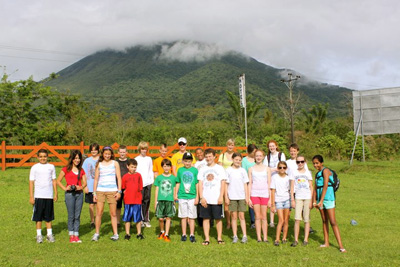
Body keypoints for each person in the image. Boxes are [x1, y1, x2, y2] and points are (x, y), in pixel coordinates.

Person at [312, 155, 346, 252]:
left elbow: (326, 186)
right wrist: (315, 201)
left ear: (321, 163)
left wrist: (322, 200)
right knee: (324, 221)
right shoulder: (317, 174)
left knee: (333, 222)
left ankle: (341, 246)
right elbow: (315, 188)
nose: (315, 165)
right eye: (314, 163)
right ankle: (326, 243)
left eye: (317, 163)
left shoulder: (325, 171)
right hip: (320, 200)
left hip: (328, 199)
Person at [91, 146, 122, 241]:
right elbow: (96, 179)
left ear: (111, 154)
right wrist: (94, 193)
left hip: (112, 191)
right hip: (100, 191)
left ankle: (115, 234)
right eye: (105, 154)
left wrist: (119, 191)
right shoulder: (99, 164)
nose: (107, 156)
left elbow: (119, 178)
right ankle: (96, 233)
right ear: (103, 154)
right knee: (99, 212)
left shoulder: (115, 163)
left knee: (113, 213)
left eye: (109, 154)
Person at [56, 150, 87, 243]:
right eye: (75, 158)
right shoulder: (66, 169)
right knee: (71, 215)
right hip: (69, 194)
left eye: (78, 158)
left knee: (77, 215)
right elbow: (58, 181)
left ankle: (76, 234)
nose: (77, 160)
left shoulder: (81, 170)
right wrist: (65, 188)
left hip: (79, 194)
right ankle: (71, 235)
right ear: (72, 158)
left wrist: (80, 187)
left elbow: (85, 182)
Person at [198, 148, 227, 245]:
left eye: (210, 156)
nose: (208, 158)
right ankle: (207, 238)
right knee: (206, 218)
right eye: (206, 157)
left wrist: (221, 196)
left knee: (218, 218)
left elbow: (223, 183)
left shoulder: (220, 168)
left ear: (214, 156)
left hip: (216, 198)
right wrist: (201, 197)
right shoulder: (202, 169)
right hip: (205, 198)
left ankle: (219, 238)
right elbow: (200, 183)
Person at [29, 149, 58, 243]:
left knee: (48, 216)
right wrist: (31, 196)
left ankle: (49, 234)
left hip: (48, 195)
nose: (43, 158)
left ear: (47, 156)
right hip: (38, 196)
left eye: (44, 156)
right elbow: (31, 182)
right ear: (38, 157)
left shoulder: (51, 167)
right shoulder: (34, 167)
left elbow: (54, 181)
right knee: (38, 216)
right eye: (41, 156)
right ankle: (39, 235)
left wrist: (56, 193)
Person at [225, 152, 249, 244]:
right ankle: (235, 235)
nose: (238, 161)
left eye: (239, 160)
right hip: (232, 196)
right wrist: (226, 197)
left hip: (241, 196)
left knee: (241, 216)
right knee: (234, 216)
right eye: (236, 160)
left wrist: (247, 196)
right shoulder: (228, 170)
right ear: (232, 159)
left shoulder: (243, 171)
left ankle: (244, 235)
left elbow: (245, 184)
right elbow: (226, 185)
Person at [175, 152, 199, 243]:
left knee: (192, 216)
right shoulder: (180, 170)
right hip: (182, 196)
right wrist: (175, 194)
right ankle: (184, 234)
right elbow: (178, 182)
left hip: (192, 196)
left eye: (189, 161)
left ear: (192, 161)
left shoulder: (195, 170)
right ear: (183, 161)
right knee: (183, 216)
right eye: (186, 161)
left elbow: (197, 183)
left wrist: (197, 196)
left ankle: (192, 234)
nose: (187, 163)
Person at [290, 155, 313, 247]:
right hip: (298, 197)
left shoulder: (308, 172)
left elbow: (311, 186)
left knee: (306, 219)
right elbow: (292, 186)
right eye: (298, 162)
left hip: (307, 197)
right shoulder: (294, 172)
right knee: (297, 219)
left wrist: (311, 200)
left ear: (305, 162)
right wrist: (292, 199)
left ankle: (305, 239)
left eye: (302, 162)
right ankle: (295, 240)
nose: (300, 163)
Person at [248, 150, 271, 242]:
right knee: (257, 216)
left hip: (265, 194)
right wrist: (249, 197)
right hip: (254, 194)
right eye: (257, 156)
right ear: (254, 157)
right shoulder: (251, 169)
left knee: (264, 216)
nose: (258, 157)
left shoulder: (267, 169)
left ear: (263, 157)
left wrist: (270, 198)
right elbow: (249, 183)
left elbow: (269, 183)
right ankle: (259, 237)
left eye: (260, 156)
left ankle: (265, 237)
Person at [263, 140, 286, 228]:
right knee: (272, 199)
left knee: (280, 198)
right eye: (270, 146)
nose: (272, 148)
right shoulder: (267, 157)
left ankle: (282, 219)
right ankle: (271, 221)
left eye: (273, 146)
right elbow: (265, 168)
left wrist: (273, 169)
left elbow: (283, 166)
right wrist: (274, 169)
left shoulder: (281, 155)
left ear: (276, 146)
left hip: (280, 179)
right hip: (271, 179)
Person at [154, 159, 176, 242]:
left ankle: (166, 234)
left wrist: (174, 199)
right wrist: (156, 201)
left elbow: (174, 189)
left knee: (168, 217)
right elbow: (156, 190)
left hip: (169, 200)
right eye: (164, 166)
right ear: (162, 167)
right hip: (160, 200)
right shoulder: (159, 178)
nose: (166, 168)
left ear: (170, 167)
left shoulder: (173, 178)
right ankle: (162, 231)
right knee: (160, 218)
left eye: (168, 166)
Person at [121, 159, 144, 240]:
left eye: (135, 167)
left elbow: (140, 187)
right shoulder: (125, 177)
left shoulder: (139, 175)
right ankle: (127, 233)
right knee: (127, 217)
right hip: (128, 200)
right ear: (127, 166)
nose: (133, 169)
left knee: (138, 217)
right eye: (132, 167)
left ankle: (139, 233)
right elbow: (123, 188)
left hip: (137, 200)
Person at [271, 161, 291, 246]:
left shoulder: (288, 178)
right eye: (280, 167)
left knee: (286, 220)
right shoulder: (275, 177)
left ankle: (284, 238)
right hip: (278, 200)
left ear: (286, 168)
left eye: (283, 167)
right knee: (281, 220)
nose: (282, 169)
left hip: (287, 200)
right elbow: (273, 190)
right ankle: (277, 239)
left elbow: (290, 190)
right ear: (278, 168)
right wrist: (272, 204)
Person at [135, 141, 154, 228]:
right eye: (142, 149)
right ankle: (140, 219)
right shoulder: (136, 159)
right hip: (139, 184)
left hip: (148, 183)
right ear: (139, 149)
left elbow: (150, 170)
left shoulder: (149, 159)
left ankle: (146, 219)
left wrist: (151, 181)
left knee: (147, 200)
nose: (144, 150)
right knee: (140, 201)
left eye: (145, 149)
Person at [218, 138, 235, 229]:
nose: (230, 146)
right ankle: (228, 222)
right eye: (229, 145)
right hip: (224, 181)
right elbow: (220, 169)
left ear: (234, 146)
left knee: (233, 201)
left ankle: (233, 221)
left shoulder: (236, 155)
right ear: (226, 145)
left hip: (234, 181)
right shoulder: (222, 156)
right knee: (226, 202)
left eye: (232, 145)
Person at [82, 143, 99, 228]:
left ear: (98, 150)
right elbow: (83, 174)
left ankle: (97, 220)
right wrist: (85, 186)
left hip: (99, 187)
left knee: (98, 204)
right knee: (91, 204)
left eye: (95, 150)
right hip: (90, 186)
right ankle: (92, 221)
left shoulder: (101, 160)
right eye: (92, 150)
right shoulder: (87, 161)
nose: (93, 151)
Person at [242, 144, 258, 228]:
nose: (255, 153)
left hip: (258, 182)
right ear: (250, 151)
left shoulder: (257, 159)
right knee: (251, 202)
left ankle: (259, 219)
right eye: (254, 152)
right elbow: (244, 172)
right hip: (249, 182)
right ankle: (253, 221)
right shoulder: (244, 160)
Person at [117, 145, 129, 227]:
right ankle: (117, 222)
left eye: (123, 152)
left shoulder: (129, 162)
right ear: (118, 153)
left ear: (126, 153)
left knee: (127, 205)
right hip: (117, 186)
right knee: (118, 205)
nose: (122, 153)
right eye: (121, 152)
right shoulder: (115, 162)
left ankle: (127, 221)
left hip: (127, 187)